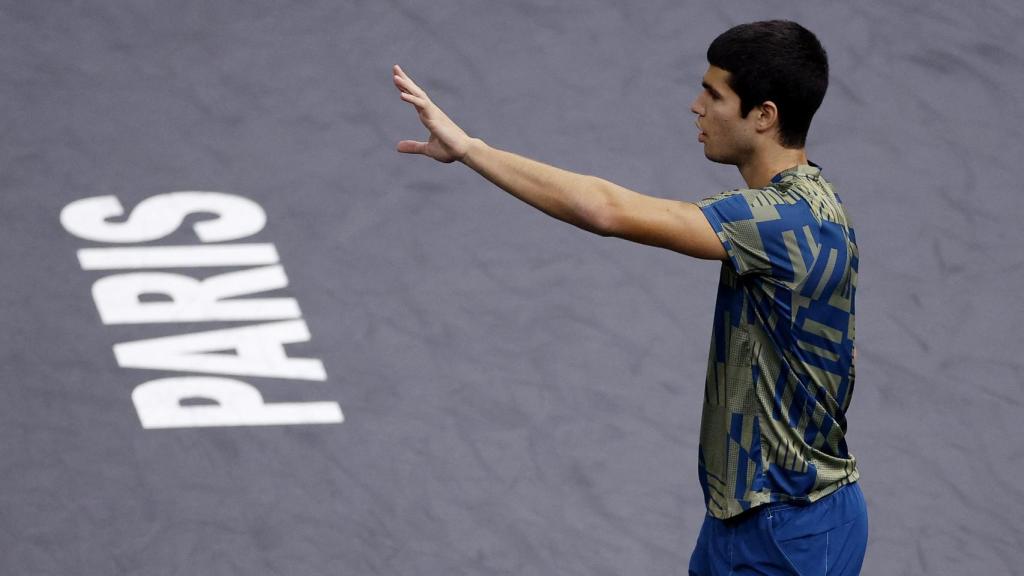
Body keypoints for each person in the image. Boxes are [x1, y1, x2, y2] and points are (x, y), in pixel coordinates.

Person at [393, 19, 867, 576]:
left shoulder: (776, 221)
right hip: (745, 516)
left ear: (763, 116)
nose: (696, 105)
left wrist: (472, 150)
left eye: (714, 95)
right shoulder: (814, 203)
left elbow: (606, 210)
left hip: (790, 534)